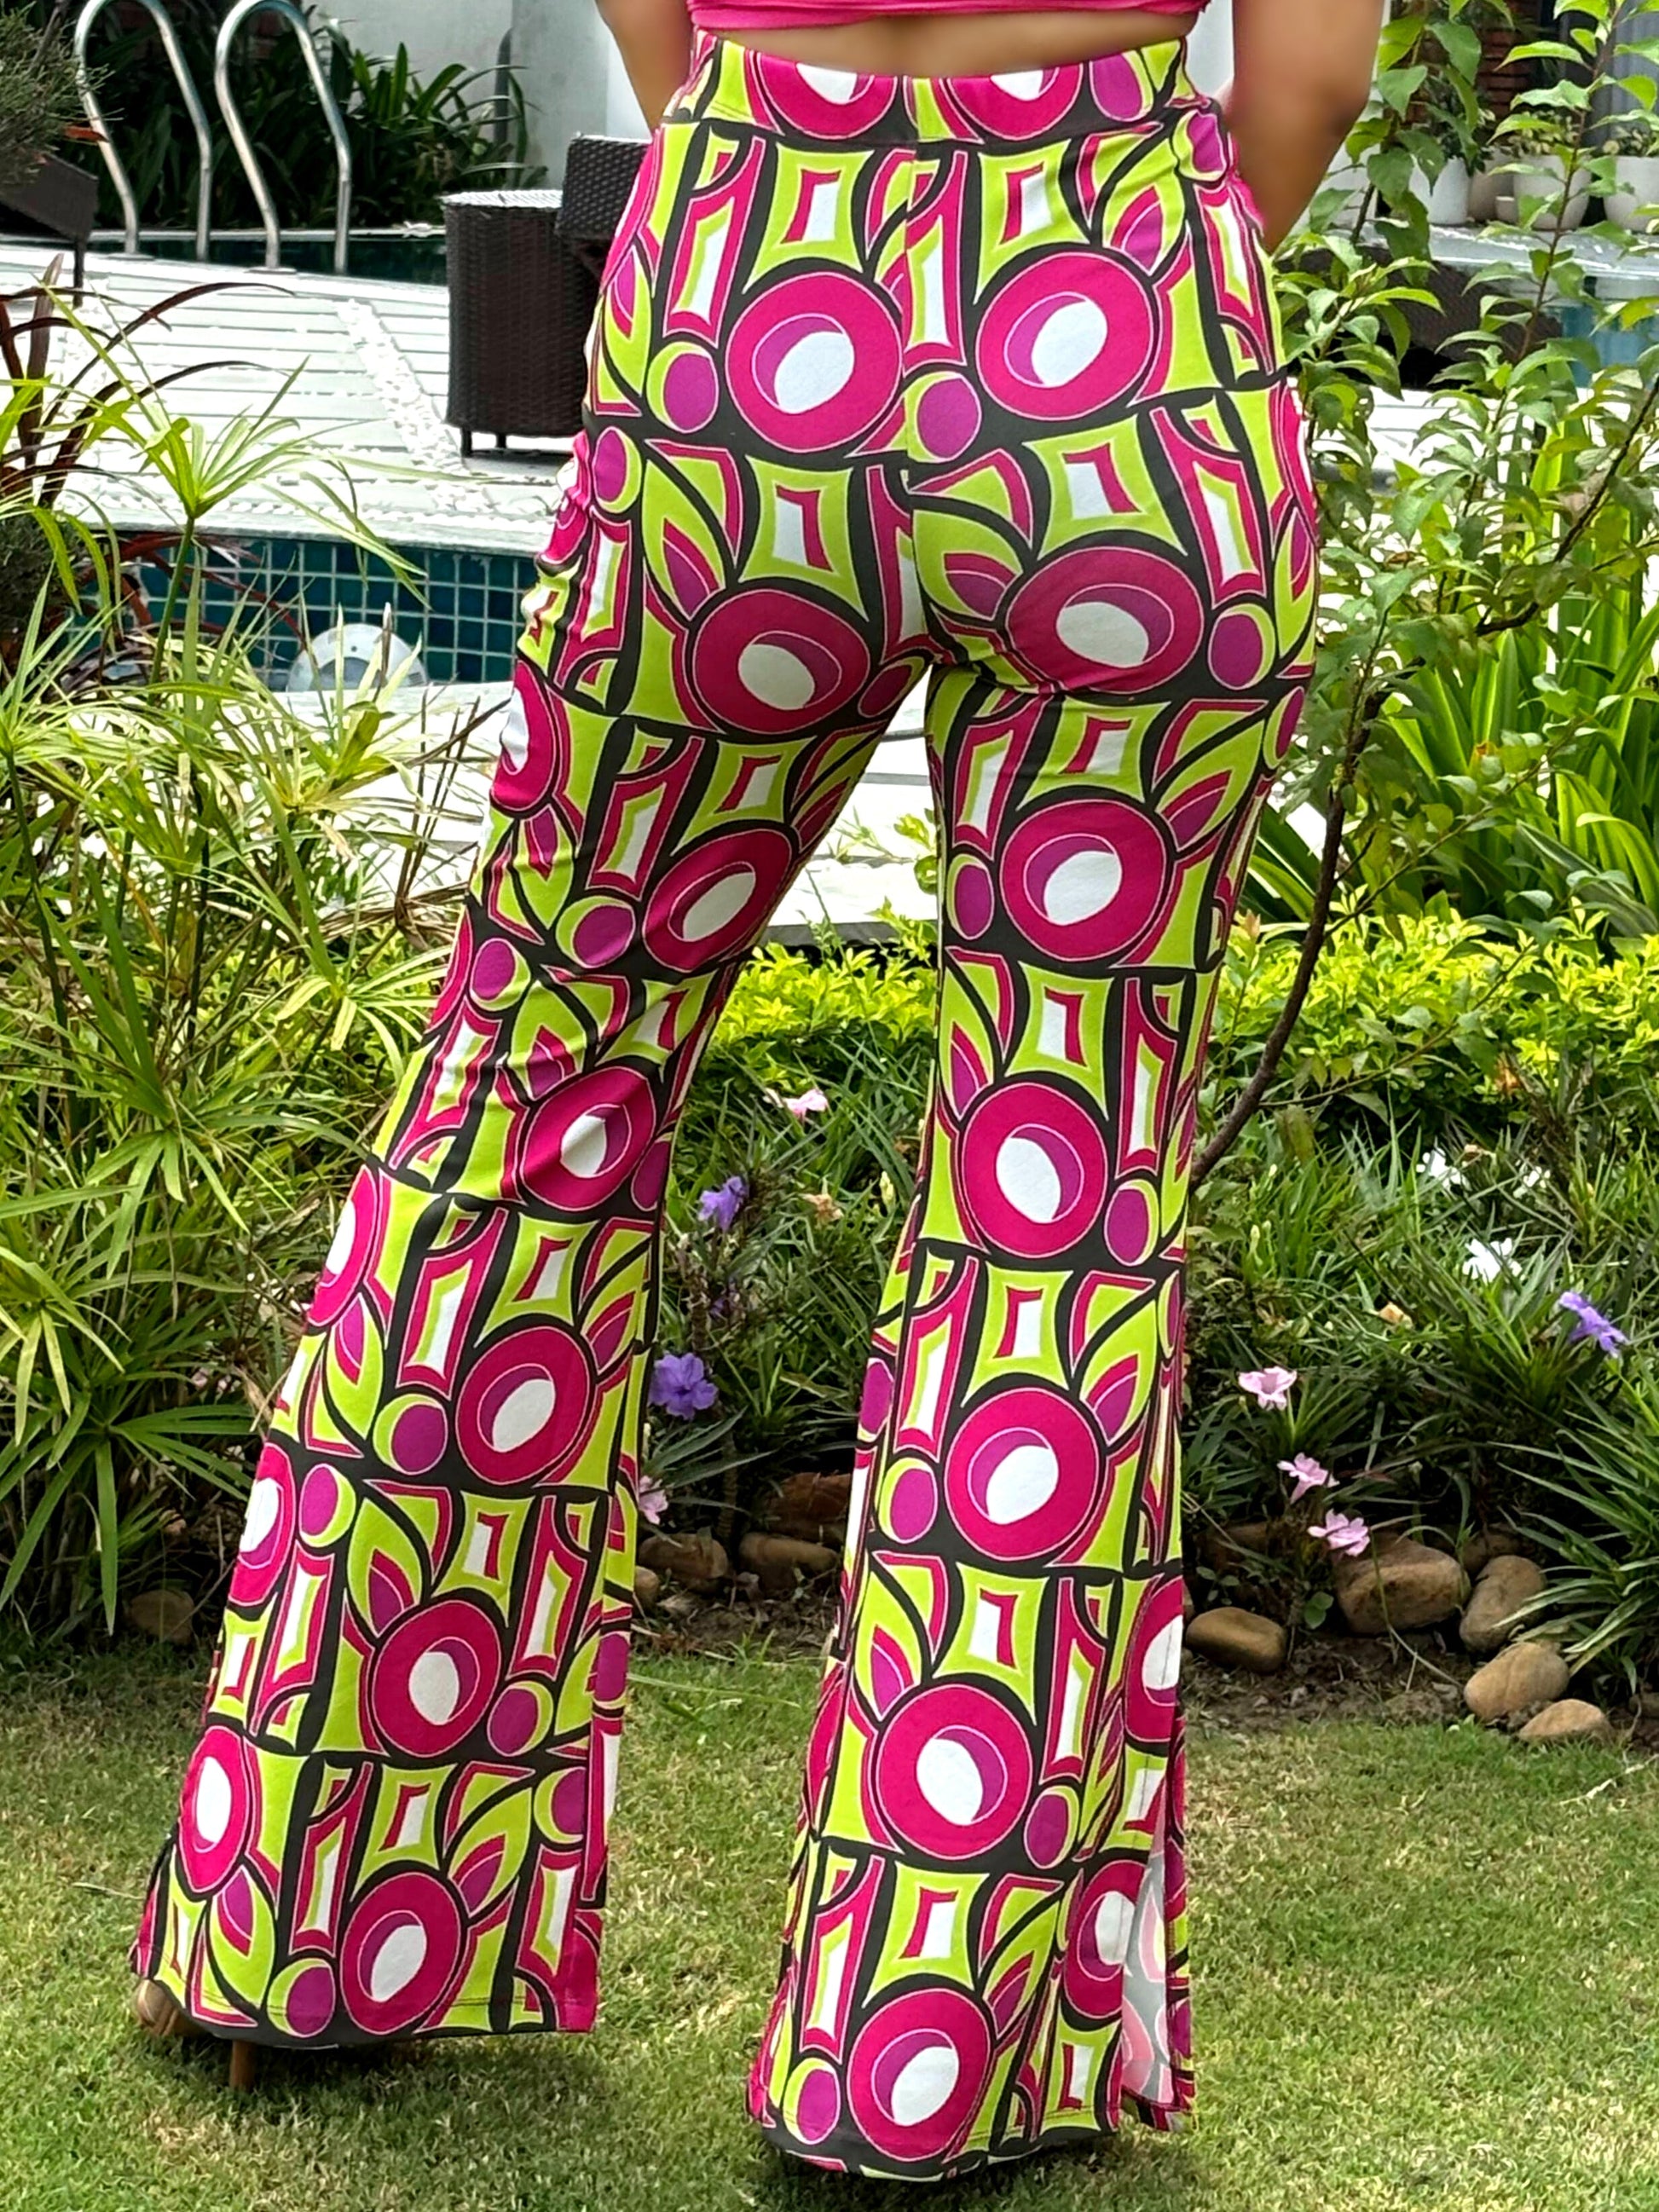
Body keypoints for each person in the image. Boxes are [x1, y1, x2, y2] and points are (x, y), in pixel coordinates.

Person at [131, 0, 1380, 2178]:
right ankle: (920, 2054)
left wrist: (790, 150)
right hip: (1120, 341)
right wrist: (1108, 291)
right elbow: (1311, 86)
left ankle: (298, 1930)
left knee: (535, 1074)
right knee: (1055, 1168)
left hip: (748, 310)